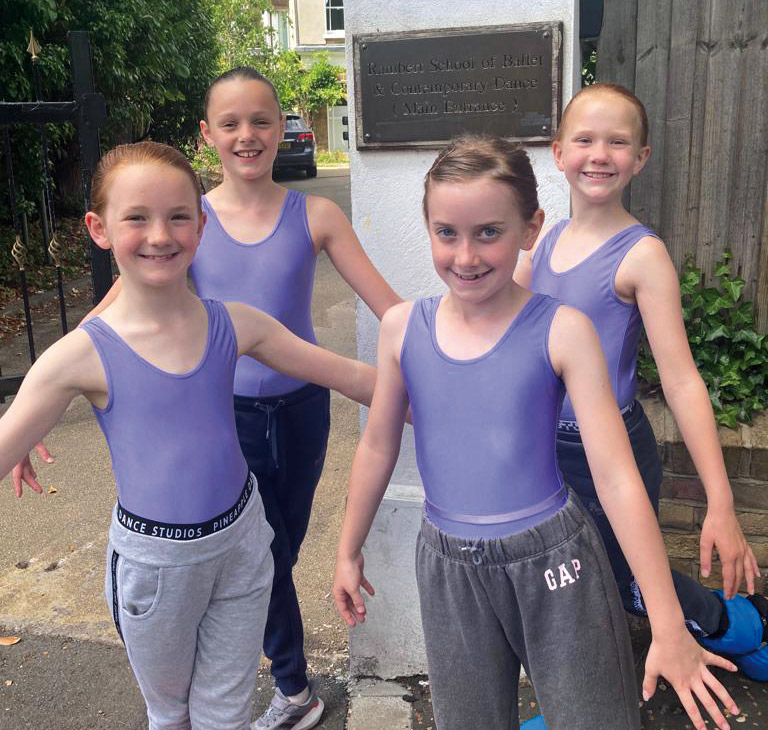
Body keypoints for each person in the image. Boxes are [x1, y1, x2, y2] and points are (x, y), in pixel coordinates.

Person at [14, 66, 402, 730]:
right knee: (185, 687)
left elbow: (366, 348)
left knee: (258, 594)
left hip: (276, 463)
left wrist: (453, 373)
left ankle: (285, 688)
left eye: (262, 120)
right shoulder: (162, 258)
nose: (161, 234)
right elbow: (90, 337)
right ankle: (291, 686)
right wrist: (30, 413)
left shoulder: (277, 262)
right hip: (193, 486)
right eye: (137, 219)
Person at [332, 135, 740, 730]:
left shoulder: (563, 330)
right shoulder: (402, 329)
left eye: (489, 232)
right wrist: (347, 548)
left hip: (555, 559)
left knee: (593, 717)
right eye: (447, 232)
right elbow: (377, 444)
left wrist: (667, 621)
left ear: (530, 228)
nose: (466, 254)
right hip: (448, 563)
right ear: (428, 228)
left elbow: (617, 476)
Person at [515, 82, 767, 687]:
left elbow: (681, 382)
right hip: (543, 447)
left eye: (618, 142)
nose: (599, 154)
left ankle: (735, 627)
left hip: (610, 448)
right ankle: (580, 697)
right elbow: (504, 329)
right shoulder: (544, 241)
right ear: (557, 152)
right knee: (563, 576)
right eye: (585, 139)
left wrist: (721, 502)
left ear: (641, 157)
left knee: (627, 580)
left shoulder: (642, 254)